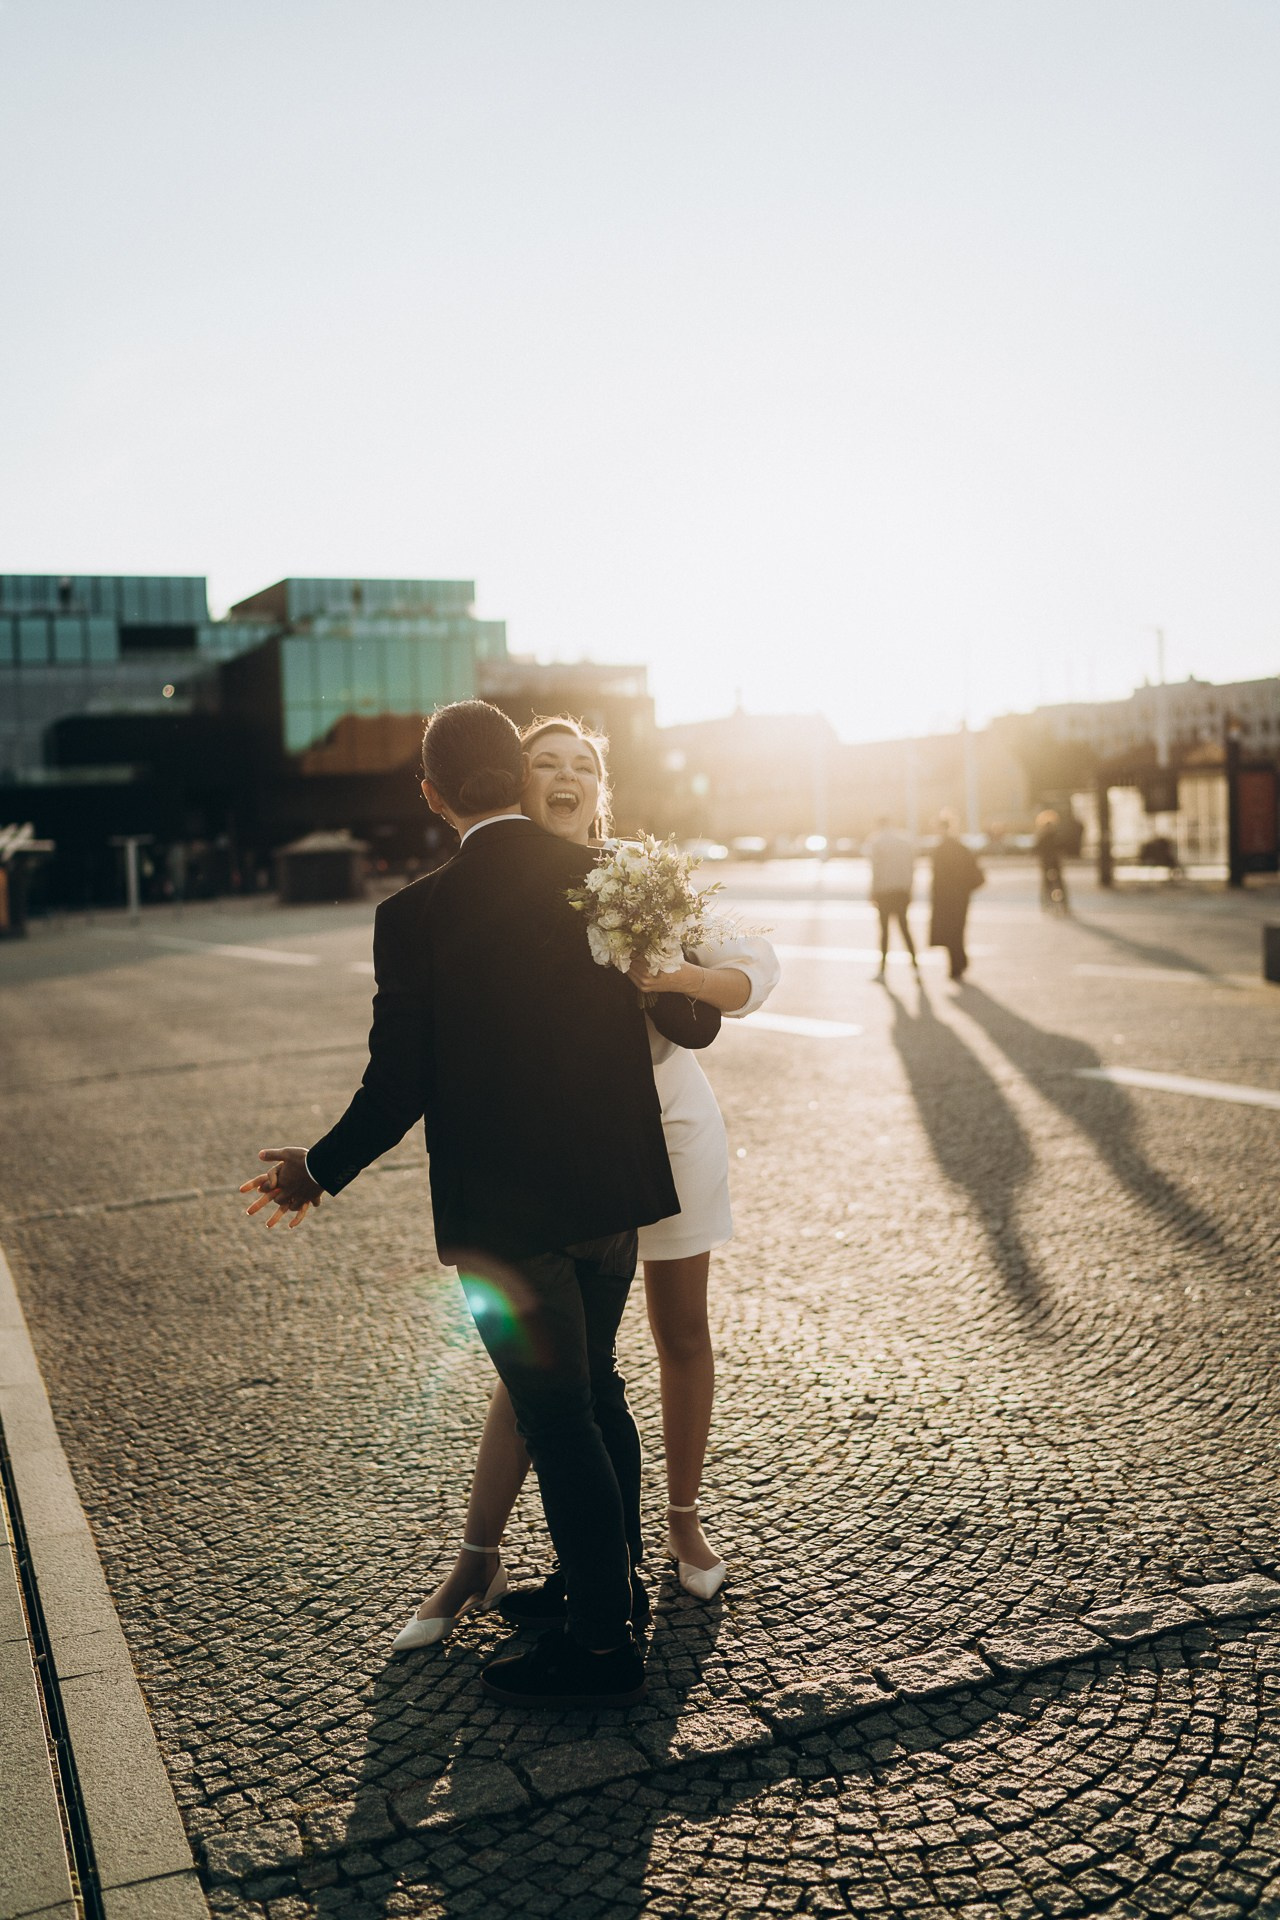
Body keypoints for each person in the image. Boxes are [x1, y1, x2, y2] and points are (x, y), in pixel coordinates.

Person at [239, 699, 718, 1708]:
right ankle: (611, 1585)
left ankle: (600, 1646)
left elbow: (396, 1086)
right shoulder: (603, 879)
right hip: (613, 1191)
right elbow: (684, 1017)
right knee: (596, 1393)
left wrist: (316, 1170)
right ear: (515, 769)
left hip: (507, 1216)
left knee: (560, 1414)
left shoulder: (413, 915)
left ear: (431, 794)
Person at [395, 715, 780, 1651]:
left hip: (669, 1135)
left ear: (602, 790)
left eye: (584, 766)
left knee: (676, 1333)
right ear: (513, 780)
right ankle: (483, 1555)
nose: (565, 776)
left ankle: (679, 1524)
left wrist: (675, 975)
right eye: (544, 763)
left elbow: (755, 968)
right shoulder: (491, 883)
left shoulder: (636, 876)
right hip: (565, 1154)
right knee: (553, 1368)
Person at [929, 810, 984, 982]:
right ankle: (960, 961)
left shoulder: (940, 849)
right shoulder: (961, 847)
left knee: (950, 931)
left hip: (946, 898)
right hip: (961, 896)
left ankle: (956, 964)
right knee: (958, 929)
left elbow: (938, 877)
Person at [863, 814, 919, 979]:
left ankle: (883, 969)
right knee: (905, 928)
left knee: (884, 931)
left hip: (884, 891)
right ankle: (915, 965)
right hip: (901, 891)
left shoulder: (876, 841)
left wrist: (872, 891)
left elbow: (875, 869)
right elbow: (911, 867)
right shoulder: (904, 841)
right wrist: (909, 889)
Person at [1034, 809, 1069, 914]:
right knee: (1054, 884)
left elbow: (1037, 850)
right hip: (1050, 863)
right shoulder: (1053, 836)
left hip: (1050, 863)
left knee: (1051, 884)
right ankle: (1058, 904)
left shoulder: (1046, 836)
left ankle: (1053, 903)